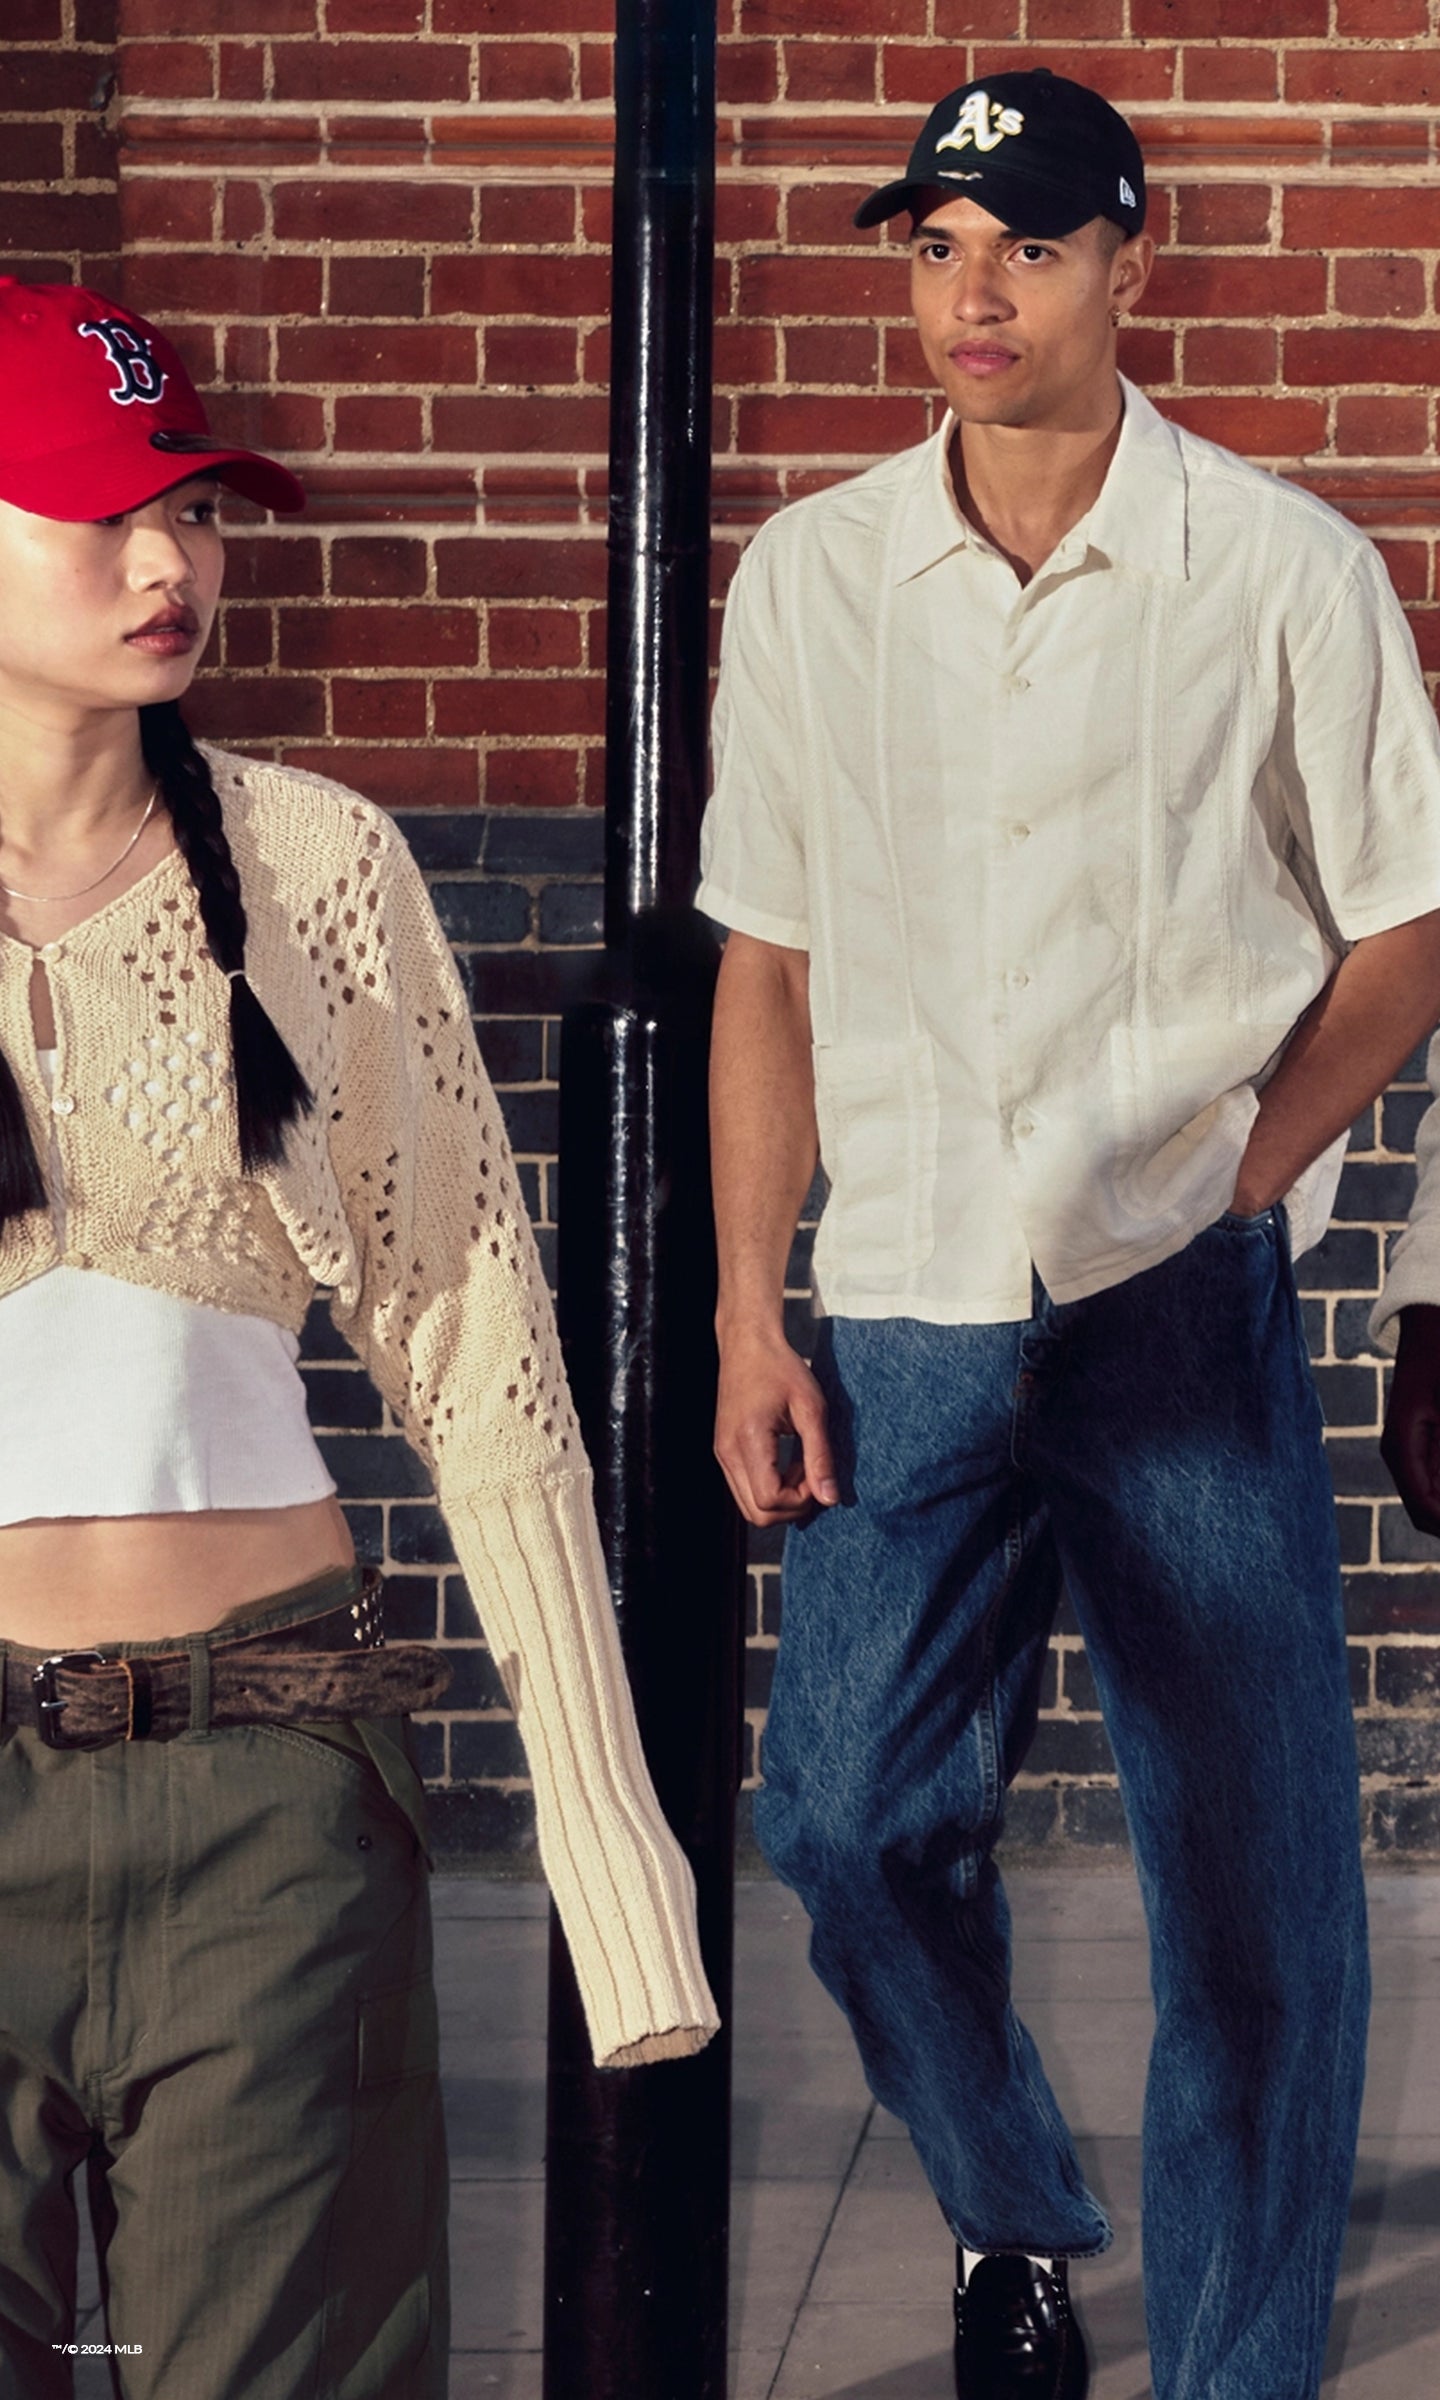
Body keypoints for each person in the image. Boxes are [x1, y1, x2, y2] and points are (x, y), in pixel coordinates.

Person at [700, 67, 1440, 2400]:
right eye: (931, 244)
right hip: (899, 1306)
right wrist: (748, 1303)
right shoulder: (815, 577)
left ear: (1135, 256)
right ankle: (1014, 2201)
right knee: (838, 1823)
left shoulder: (1282, 567)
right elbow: (772, 963)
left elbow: (1406, 929)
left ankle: (1236, 2372)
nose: (972, 290)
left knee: (1250, 1904)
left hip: (1170, 1315)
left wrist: (1240, 1172)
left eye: (1022, 241)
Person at [0, 278, 717, 2400]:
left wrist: (613, 1858)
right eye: (106, 513)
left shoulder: (320, 872)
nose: (172, 564)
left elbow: (479, 1361)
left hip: (270, 1779)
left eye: (199, 514)